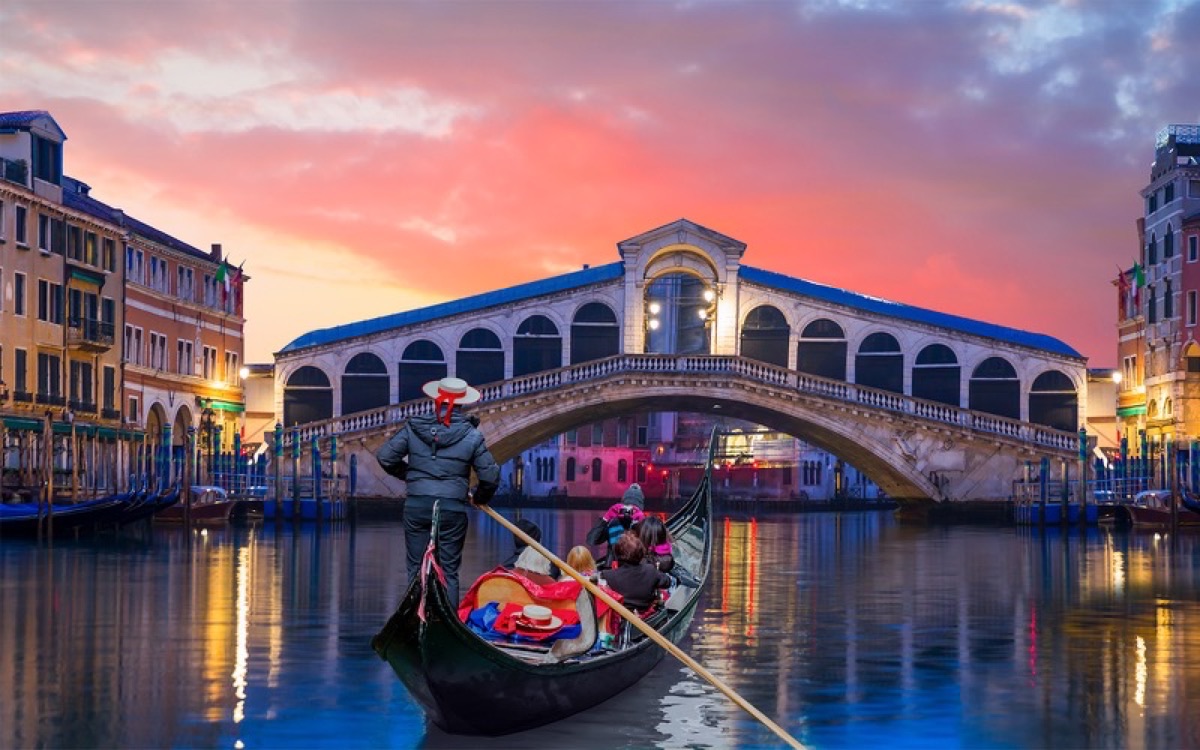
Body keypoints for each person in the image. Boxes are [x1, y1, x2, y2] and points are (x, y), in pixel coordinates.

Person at [375, 376, 500, 606]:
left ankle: (415, 618)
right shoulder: (472, 436)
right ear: (463, 403)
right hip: (452, 508)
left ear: (435, 399)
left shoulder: (414, 428)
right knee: (449, 572)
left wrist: (412, 476)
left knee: (415, 568)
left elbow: (385, 457)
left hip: (417, 506)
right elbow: (490, 477)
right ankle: (448, 621)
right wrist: (480, 498)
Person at [602, 531, 672, 613]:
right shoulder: (650, 570)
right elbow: (667, 582)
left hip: (621, 614)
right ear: (641, 553)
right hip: (644, 611)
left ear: (617, 554)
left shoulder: (608, 575)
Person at [586, 482, 646, 566]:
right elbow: (592, 540)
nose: (628, 512)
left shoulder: (642, 524)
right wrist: (605, 518)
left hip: (633, 568)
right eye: (627, 507)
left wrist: (642, 522)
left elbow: (648, 547)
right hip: (613, 567)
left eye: (633, 508)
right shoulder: (613, 523)